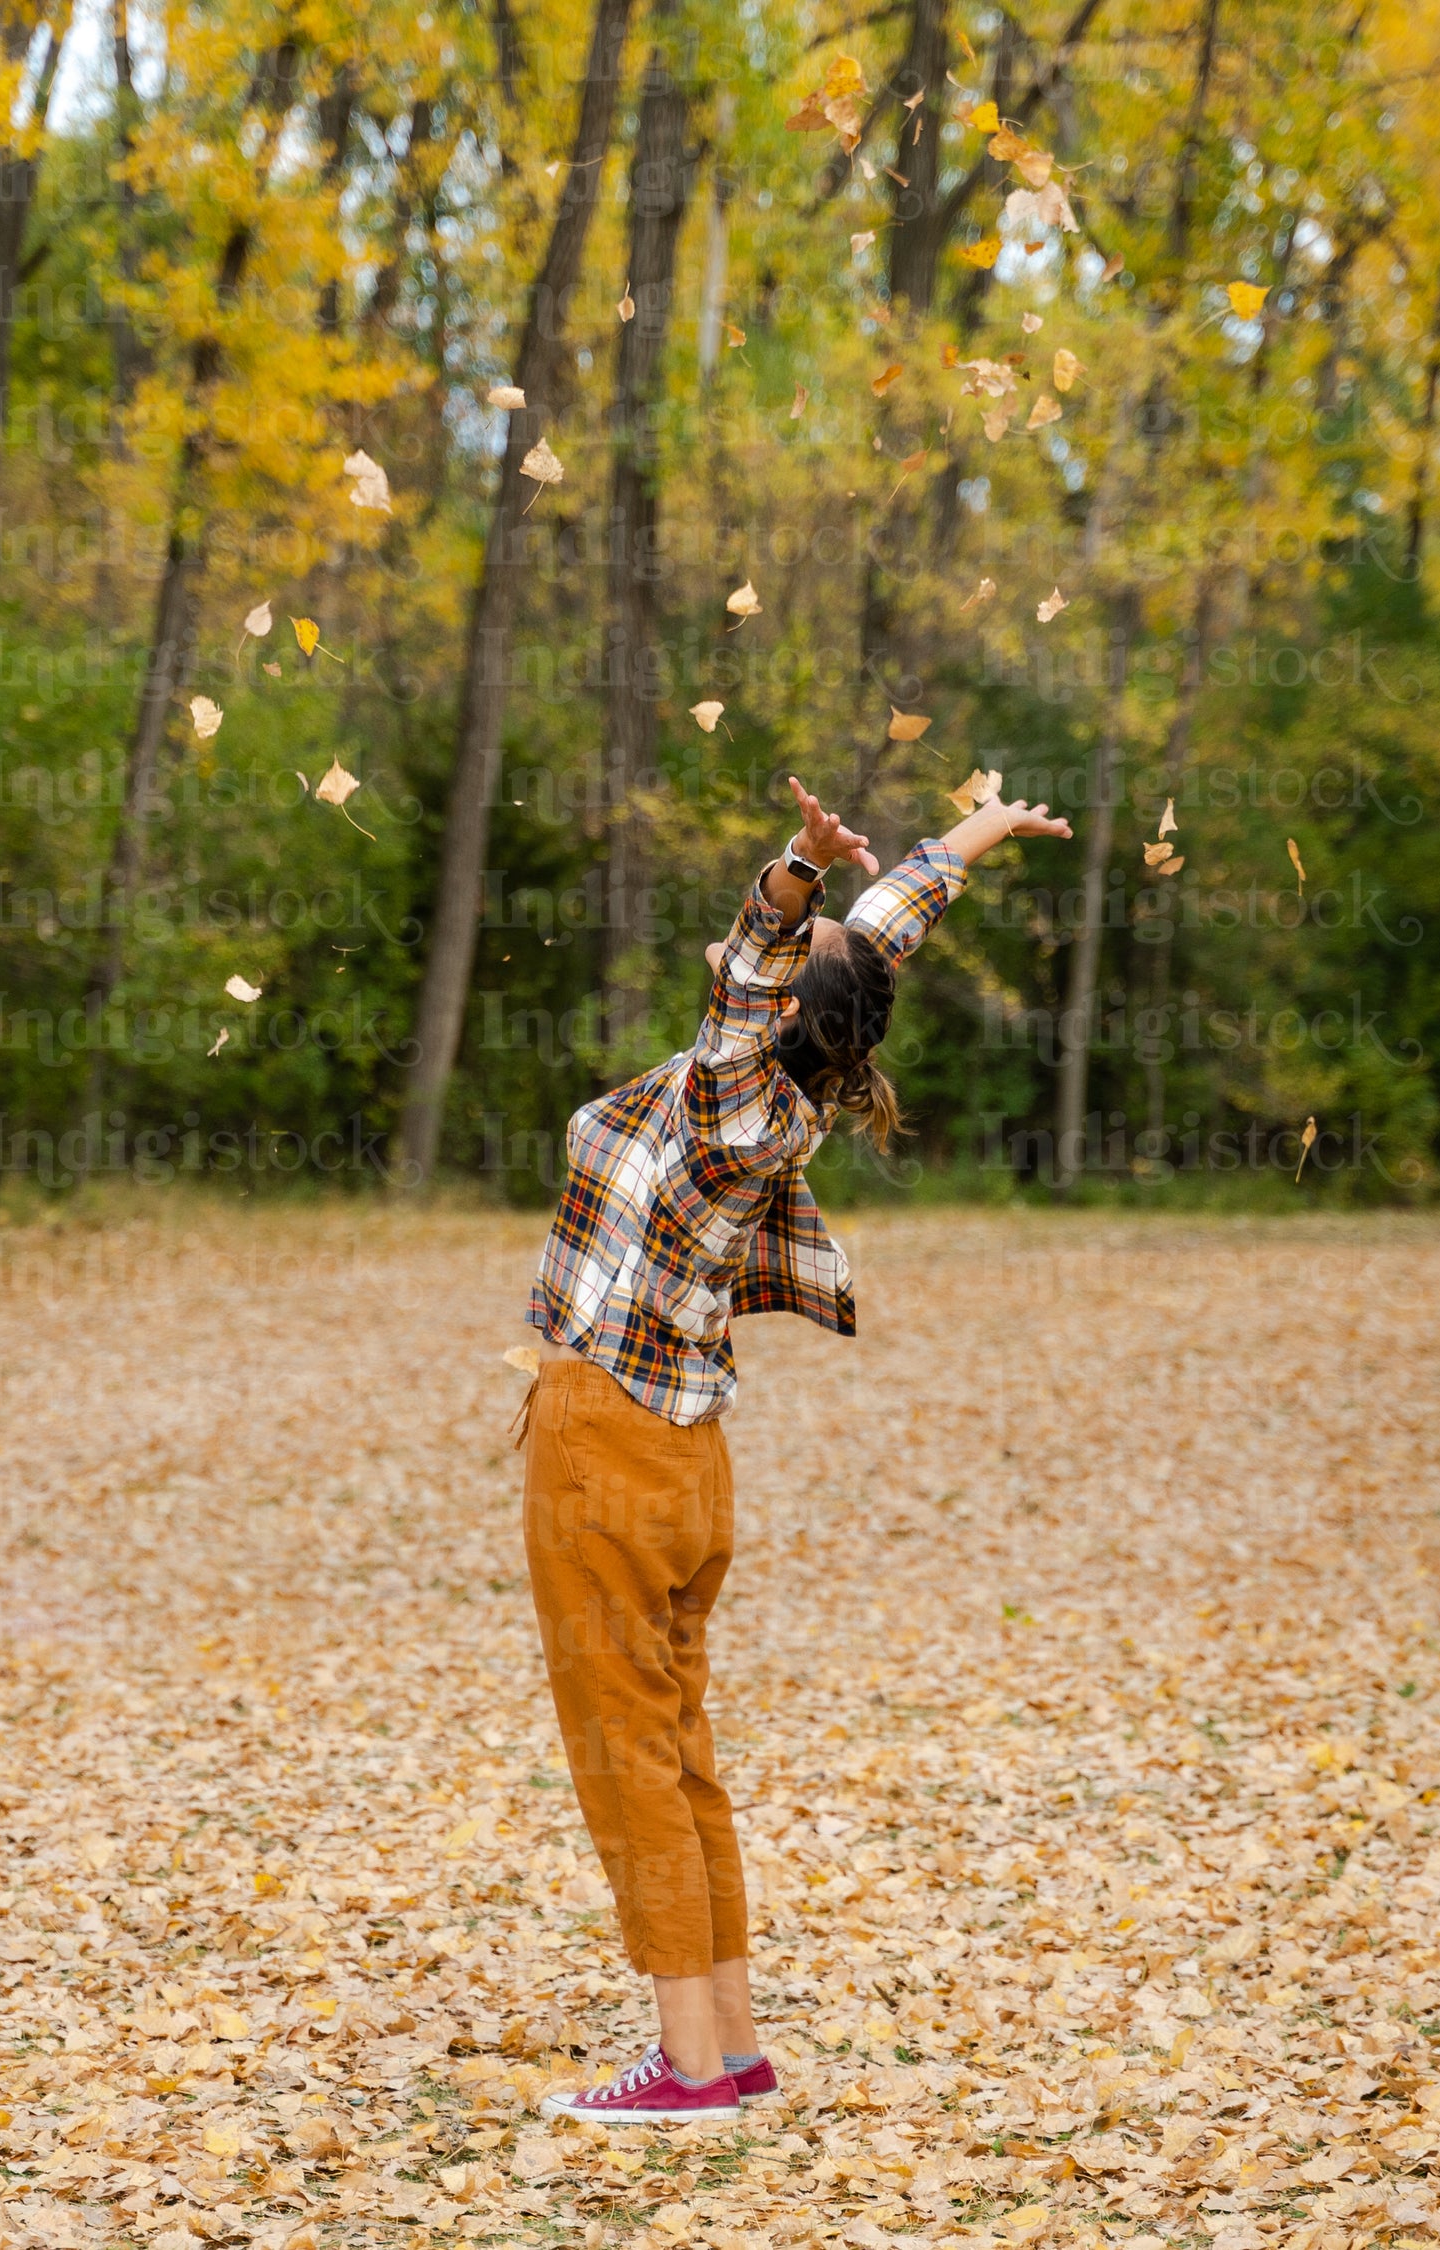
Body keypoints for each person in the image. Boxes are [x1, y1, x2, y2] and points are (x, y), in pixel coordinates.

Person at [516, 776, 1074, 2126]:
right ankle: (734, 2046)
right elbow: (872, 945)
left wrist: (789, 878)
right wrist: (978, 835)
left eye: (771, 962)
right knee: (681, 1744)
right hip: (686, 1455)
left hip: (606, 1447)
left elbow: (780, 955)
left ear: (775, 1012)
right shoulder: (805, 1067)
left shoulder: (733, 1093)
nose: (744, 953)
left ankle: (688, 2069)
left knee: (627, 1755)